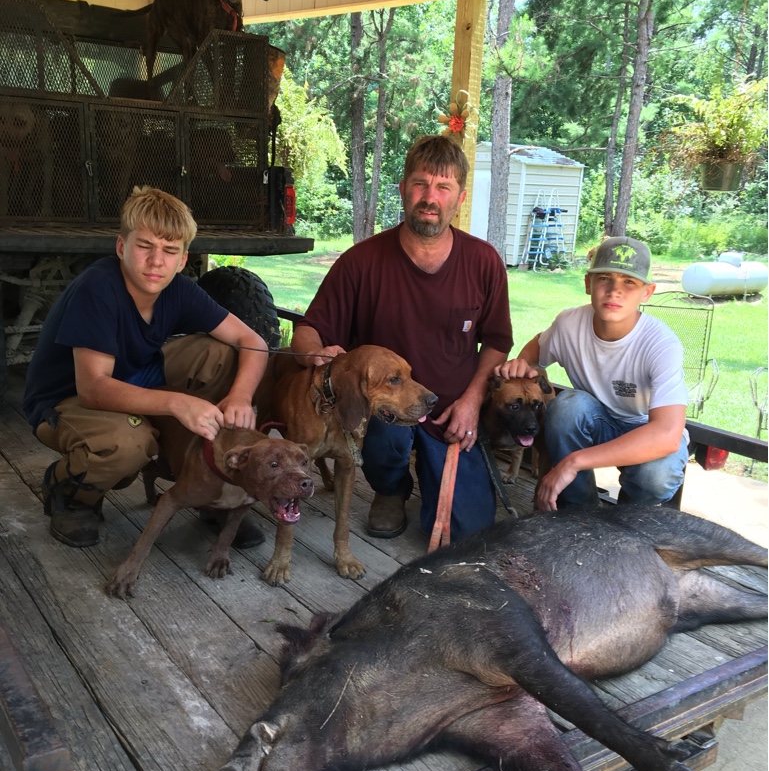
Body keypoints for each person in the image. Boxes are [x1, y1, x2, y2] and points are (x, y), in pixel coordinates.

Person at [291, 134, 513, 542]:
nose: (430, 197)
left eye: (443, 187)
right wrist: (313, 354)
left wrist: (472, 401)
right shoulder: (361, 261)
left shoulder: (483, 261)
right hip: (385, 414)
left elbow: (498, 341)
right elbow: (308, 329)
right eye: (420, 184)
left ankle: (438, 478)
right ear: (403, 189)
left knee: (468, 532)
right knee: (386, 436)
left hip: (450, 412)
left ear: (460, 198)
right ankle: (390, 489)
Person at [23, 186, 269, 548]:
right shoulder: (98, 287)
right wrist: (176, 403)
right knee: (128, 442)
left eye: (169, 251)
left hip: (136, 376)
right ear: (121, 247)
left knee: (225, 355)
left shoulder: (177, 289)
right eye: (145, 246)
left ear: (182, 260)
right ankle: (70, 494)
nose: (156, 261)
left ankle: (208, 488)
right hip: (66, 402)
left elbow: (252, 341)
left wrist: (240, 397)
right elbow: (93, 387)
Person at [496, 236, 689, 511]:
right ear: (588, 283)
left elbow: (667, 434)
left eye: (629, 282)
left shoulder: (661, 343)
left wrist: (572, 462)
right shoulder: (569, 324)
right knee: (567, 407)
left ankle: (628, 518)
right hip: (595, 421)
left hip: (644, 428)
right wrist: (522, 363)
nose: (614, 291)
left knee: (657, 474)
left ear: (647, 292)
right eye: (605, 278)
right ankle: (579, 512)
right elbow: (539, 345)